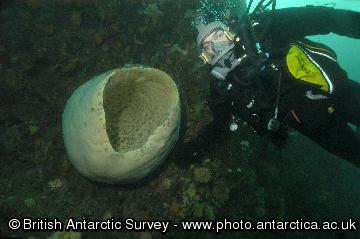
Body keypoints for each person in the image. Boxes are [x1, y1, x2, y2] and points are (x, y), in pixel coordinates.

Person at [185, 0, 360, 166]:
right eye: (207, 46)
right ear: (205, 57)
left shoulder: (265, 28)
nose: (217, 48)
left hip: (343, 93)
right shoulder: (221, 86)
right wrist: (196, 147)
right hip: (320, 129)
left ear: (229, 30)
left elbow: (322, 18)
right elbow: (220, 125)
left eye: (218, 35)